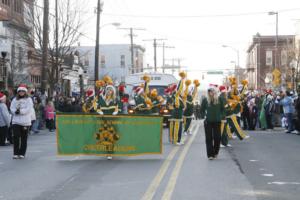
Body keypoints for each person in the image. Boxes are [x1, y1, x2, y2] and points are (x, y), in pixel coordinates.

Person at [201, 86, 225, 160]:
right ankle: (210, 155)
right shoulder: (205, 100)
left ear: (215, 91)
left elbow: (223, 109)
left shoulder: (220, 99)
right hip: (208, 121)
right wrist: (204, 116)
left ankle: (216, 152)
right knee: (208, 138)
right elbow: (201, 110)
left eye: (212, 91)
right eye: (209, 91)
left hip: (217, 121)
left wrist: (221, 116)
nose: (210, 93)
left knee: (217, 138)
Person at [10, 84, 33, 159]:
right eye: (20, 91)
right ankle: (15, 153)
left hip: (25, 122)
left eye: (23, 91)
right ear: (18, 92)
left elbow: (28, 109)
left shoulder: (29, 99)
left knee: (24, 138)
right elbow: (11, 108)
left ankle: (22, 153)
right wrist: (14, 111)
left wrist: (21, 111)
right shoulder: (14, 99)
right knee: (16, 137)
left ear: (25, 92)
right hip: (16, 121)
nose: (21, 92)